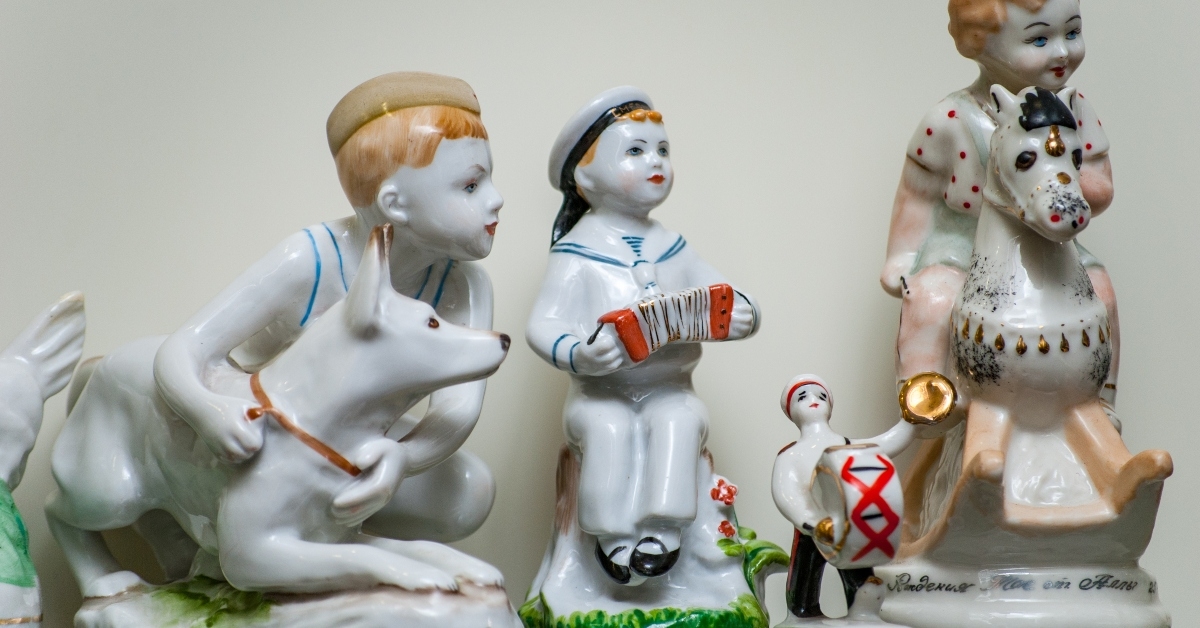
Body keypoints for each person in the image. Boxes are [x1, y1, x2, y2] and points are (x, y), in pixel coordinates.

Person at [153, 71, 504, 543]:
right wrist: (208, 412)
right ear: (395, 204)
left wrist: (403, 458)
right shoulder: (309, 259)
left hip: (354, 451)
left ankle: (342, 553)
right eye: (470, 186)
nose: (496, 199)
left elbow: (457, 413)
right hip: (262, 448)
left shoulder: (465, 287)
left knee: (468, 491)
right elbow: (182, 351)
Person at [879, 0, 1120, 536]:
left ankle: (1099, 397)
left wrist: (1062, 187)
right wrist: (902, 254)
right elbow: (917, 193)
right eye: (1039, 39)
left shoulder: (1075, 111)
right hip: (960, 246)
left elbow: (1100, 184)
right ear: (980, 42)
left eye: (1072, 32)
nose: (1062, 51)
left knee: (1100, 289)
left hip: (1050, 247)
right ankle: (929, 399)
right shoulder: (951, 119)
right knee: (933, 300)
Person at [527, 86, 760, 584]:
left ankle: (663, 533)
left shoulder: (673, 245)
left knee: (678, 420)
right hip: (601, 393)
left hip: (670, 387)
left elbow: (726, 293)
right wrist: (580, 355)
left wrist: (743, 314)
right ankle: (611, 539)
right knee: (608, 431)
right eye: (634, 151)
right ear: (585, 175)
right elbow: (543, 324)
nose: (655, 161)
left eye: (662, 150)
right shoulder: (576, 252)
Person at [772, 375, 910, 619]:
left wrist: (910, 422)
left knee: (860, 574)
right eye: (802, 397)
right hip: (813, 528)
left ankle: (863, 613)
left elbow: (885, 444)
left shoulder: (848, 445)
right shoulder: (789, 455)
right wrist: (810, 523)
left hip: (851, 524)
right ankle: (803, 614)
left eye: (821, 396)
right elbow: (786, 493)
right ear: (791, 411)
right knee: (805, 579)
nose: (813, 401)